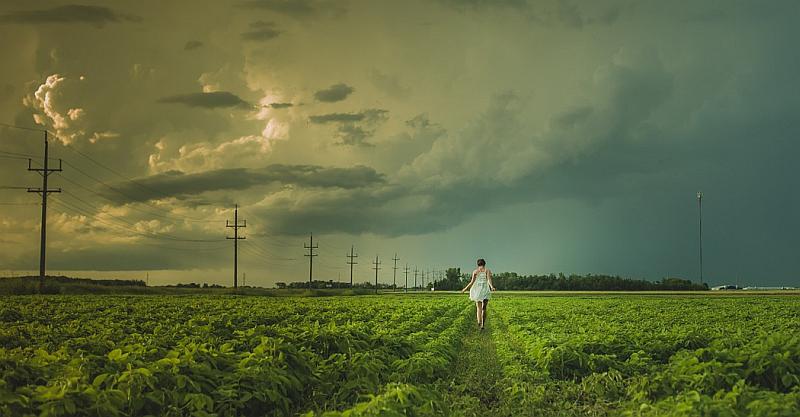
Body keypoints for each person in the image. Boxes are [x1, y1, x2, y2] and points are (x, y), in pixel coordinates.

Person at [460, 258, 496, 330]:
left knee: (478, 308)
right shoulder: (487, 271)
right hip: (485, 290)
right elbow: (489, 280)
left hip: (477, 290)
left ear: (478, 264)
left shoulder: (475, 271)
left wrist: (465, 289)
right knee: (484, 308)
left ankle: (479, 322)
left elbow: (472, 282)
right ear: (484, 264)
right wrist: (492, 287)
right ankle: (483, 324)